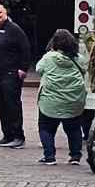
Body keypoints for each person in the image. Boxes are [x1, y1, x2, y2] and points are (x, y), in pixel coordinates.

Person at [36, 29, 87, 165]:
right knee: (74, 128)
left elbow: (38, 70)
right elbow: (84, 70)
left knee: (45, 128)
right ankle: (75, 156)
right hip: (73, 101)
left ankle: (49, 156)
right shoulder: (79, 59)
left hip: (50, 102)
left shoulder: (48, 58)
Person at [0, 3, 32, 148]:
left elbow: (25, 49)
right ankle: (7, 135)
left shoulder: (14, 29)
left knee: (12, 105)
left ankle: (18, 136)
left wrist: (23, 68)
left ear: (5, 13)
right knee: (1, 106)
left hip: (10, 75)